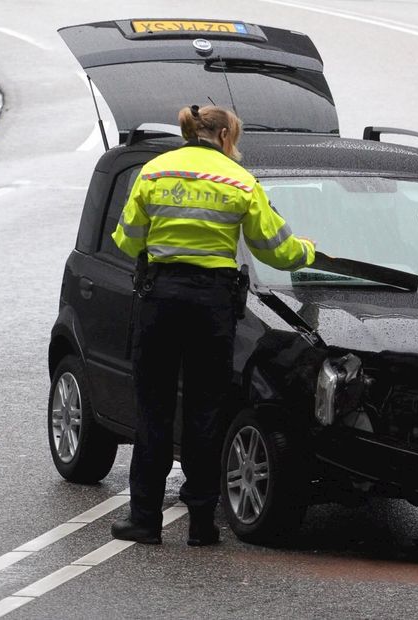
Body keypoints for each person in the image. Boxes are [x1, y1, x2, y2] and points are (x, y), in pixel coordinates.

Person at [109, 105, 315, 546]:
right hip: (212, 306)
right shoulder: (239, 180)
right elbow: (275, 250)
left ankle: (144, 519)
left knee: (154, 411)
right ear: (223, 134)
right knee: (206, 413)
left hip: (160, 301)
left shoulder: (154, 172)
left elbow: (127, 238)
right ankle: (202, 523)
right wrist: (308, 253)